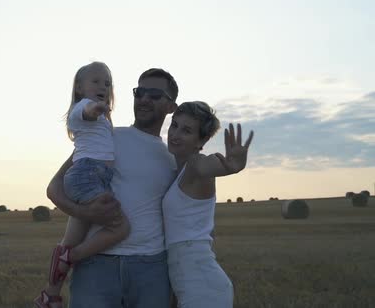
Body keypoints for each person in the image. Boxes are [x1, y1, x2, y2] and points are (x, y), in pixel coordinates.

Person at [46, 68, 180, 307]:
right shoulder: (106, 138)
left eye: (155, 95)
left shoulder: (174, 160)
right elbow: (55, 188)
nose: (144, 99)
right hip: (95, 267)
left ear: (171, 106)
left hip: (151, 269)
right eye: (140, 92)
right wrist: (84, 213)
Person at [35, 62, 131, 308]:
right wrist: (96, 108)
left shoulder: (102, 122)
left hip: (90, 176)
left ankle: (50, 296)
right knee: (120, 228)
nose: (103, 86)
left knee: (70, 238)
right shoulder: (82, 108)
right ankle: (72, 257)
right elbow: (88, 111)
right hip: (87, 175)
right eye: (96, 81)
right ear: (78, 88)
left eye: (107, 83)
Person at [163, 101, 253, 307]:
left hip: (204, 286)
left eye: (186, 131)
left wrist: (230, 167)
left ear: (200, 140)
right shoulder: (178, 172)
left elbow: (206, 166)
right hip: (190, 283)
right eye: (174, 125)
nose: (175, 134)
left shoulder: (195, 166)